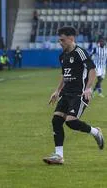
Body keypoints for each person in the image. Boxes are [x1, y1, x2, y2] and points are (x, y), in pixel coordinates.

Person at [43, 26, 104, 165]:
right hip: (66, 93)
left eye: (62, 40)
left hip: (79, 94)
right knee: (56, 120)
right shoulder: (62, 55)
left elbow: (92, 69)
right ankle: (59, 156)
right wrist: (57, 91)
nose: (60, 43)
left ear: (71, 38)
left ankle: (95, 132)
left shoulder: (80, 53)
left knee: (71, 121)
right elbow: (64, 75)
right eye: (59, 40)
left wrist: (88, 88)